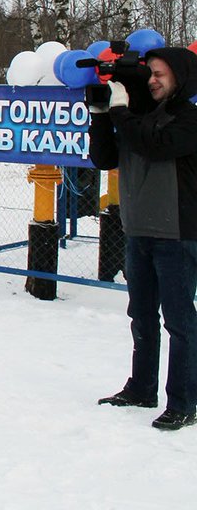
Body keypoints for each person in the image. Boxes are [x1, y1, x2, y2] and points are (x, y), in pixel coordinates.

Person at [90, 47, 197, 431]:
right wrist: (102, 114)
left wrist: (120, 112)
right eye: (149, 73)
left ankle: (185, 401)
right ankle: (141, 387)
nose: (152, 80)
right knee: (142, 316)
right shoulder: (138, 119)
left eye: (160, 75)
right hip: (139, 231)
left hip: (177, 235)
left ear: (180, 78)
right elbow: (104, 158)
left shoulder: (188, 119)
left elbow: (154, 144)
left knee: (180, 322)